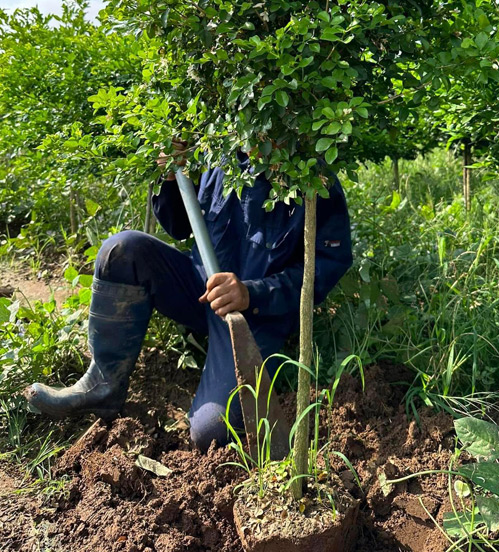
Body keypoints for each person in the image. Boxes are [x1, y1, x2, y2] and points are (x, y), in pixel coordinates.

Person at [25, 145, 353, 450]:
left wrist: (251, 293)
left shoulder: (312, 179)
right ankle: (103, 386)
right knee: (123, 251)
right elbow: (180, 226)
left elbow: (325, 267)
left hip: (256, 317)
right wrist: (169, 180)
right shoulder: (217, 152)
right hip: (199, 289)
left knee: (210, 432)